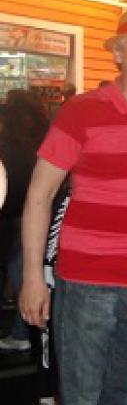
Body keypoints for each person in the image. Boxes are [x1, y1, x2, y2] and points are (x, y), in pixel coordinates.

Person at [18, 6, 127, 405]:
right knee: (82, 399)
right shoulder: (82, 111)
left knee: (125, 393)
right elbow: (39, 195)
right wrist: (33, 277)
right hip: (86, 282)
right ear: (119, 55)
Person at [0, 94, 49, 352]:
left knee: (20, 273)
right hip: (32, 212)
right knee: (24, 272)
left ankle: (22, 332)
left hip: (11, 212)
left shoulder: (7, 140)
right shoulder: (42, 134)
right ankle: (27, 330)